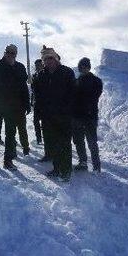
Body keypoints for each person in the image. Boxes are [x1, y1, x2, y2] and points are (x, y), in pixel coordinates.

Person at [0, 44, 30, 170]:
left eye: (13, 53)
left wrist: (27, 103)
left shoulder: (20, 67)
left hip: (13, 107)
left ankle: (8, 160)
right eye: (8, 52)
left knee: (11, 133)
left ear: (16, 54)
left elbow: (23, 87)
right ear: (4, 52)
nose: (10, 54)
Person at [33, 47, 75, 181]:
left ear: (56, 58)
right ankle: (57, 168)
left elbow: (74, 94)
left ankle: (66, 171)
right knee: (53, 144)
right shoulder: (41, 75)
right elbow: (38, 96)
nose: (48, 61)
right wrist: (39, 112)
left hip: (64, 116)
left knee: (64, 144)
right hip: (48, 117)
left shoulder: (67, 72)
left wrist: (69, 111)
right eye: (45, 59)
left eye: (50, 58)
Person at [72, 57, 103, 172]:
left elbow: (94, 97)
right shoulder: (76, 81)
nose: (83, 68)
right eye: (81, 67)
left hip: (90, 116)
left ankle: (96, 166)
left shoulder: (96, 81)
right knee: (78, 140)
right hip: (76, 116)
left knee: (92, 142)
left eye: (85, 66)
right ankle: (83, 162)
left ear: (89, 67)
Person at [31, 59, 45, 146]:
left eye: (39, 65)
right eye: (36, 65)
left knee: (44, 122)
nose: (38, 67)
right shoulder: (34, 75)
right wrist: (32, 101)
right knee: (36, 121)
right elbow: (33, 90)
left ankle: (46, 137)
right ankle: (39, 138)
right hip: (37, 102)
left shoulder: (46, 74)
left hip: (45, 103)